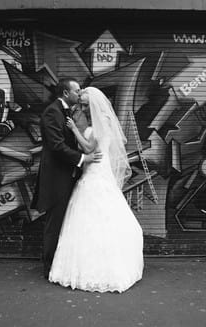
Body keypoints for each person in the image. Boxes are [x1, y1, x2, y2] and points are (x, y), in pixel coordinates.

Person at [49, 86, 144, 293]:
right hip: (103, 170)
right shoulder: (107, 122)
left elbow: (89, 149)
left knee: (88, 217)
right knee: (104, 216)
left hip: (94, 170)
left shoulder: (95, 127)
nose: (82, 109)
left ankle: (89, 267)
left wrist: (74, 130)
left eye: (84, 105)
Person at [32, 78, 102, 280]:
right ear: (65, 93)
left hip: (68, 176)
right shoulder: (52, 112)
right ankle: (49, 268)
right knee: (54, 223)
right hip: (56, 178)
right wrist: (83, 158)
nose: (79, 94)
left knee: (64, 222)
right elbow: (56, 146)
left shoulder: (63, 111)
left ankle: (59, 265)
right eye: (77, 91)